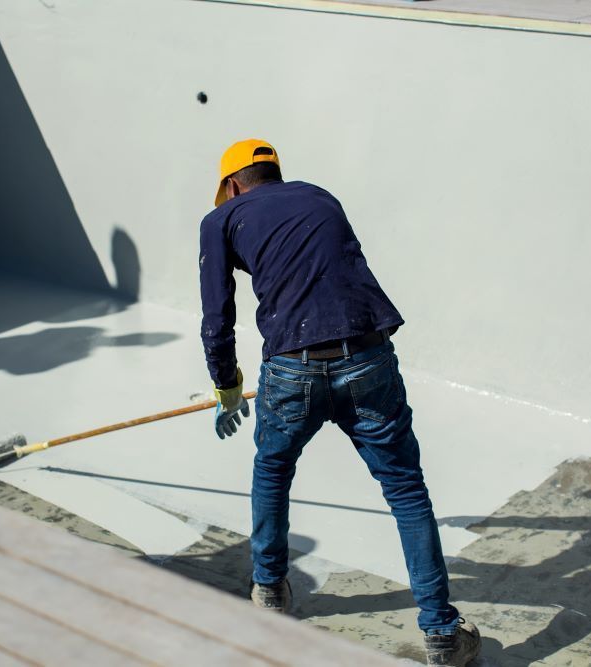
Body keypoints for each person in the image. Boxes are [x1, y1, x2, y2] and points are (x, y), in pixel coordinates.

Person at [198, 139, 480, 666]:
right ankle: (442, 631)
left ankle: (269, 593)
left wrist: (227, 385)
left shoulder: (221, 220)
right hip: (367, 358)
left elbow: (218, 318)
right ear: (273, 173)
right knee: (406, 490)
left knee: (272, 472)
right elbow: (335, 273)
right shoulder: (322, 197)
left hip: (289, 368)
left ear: (232, 186)